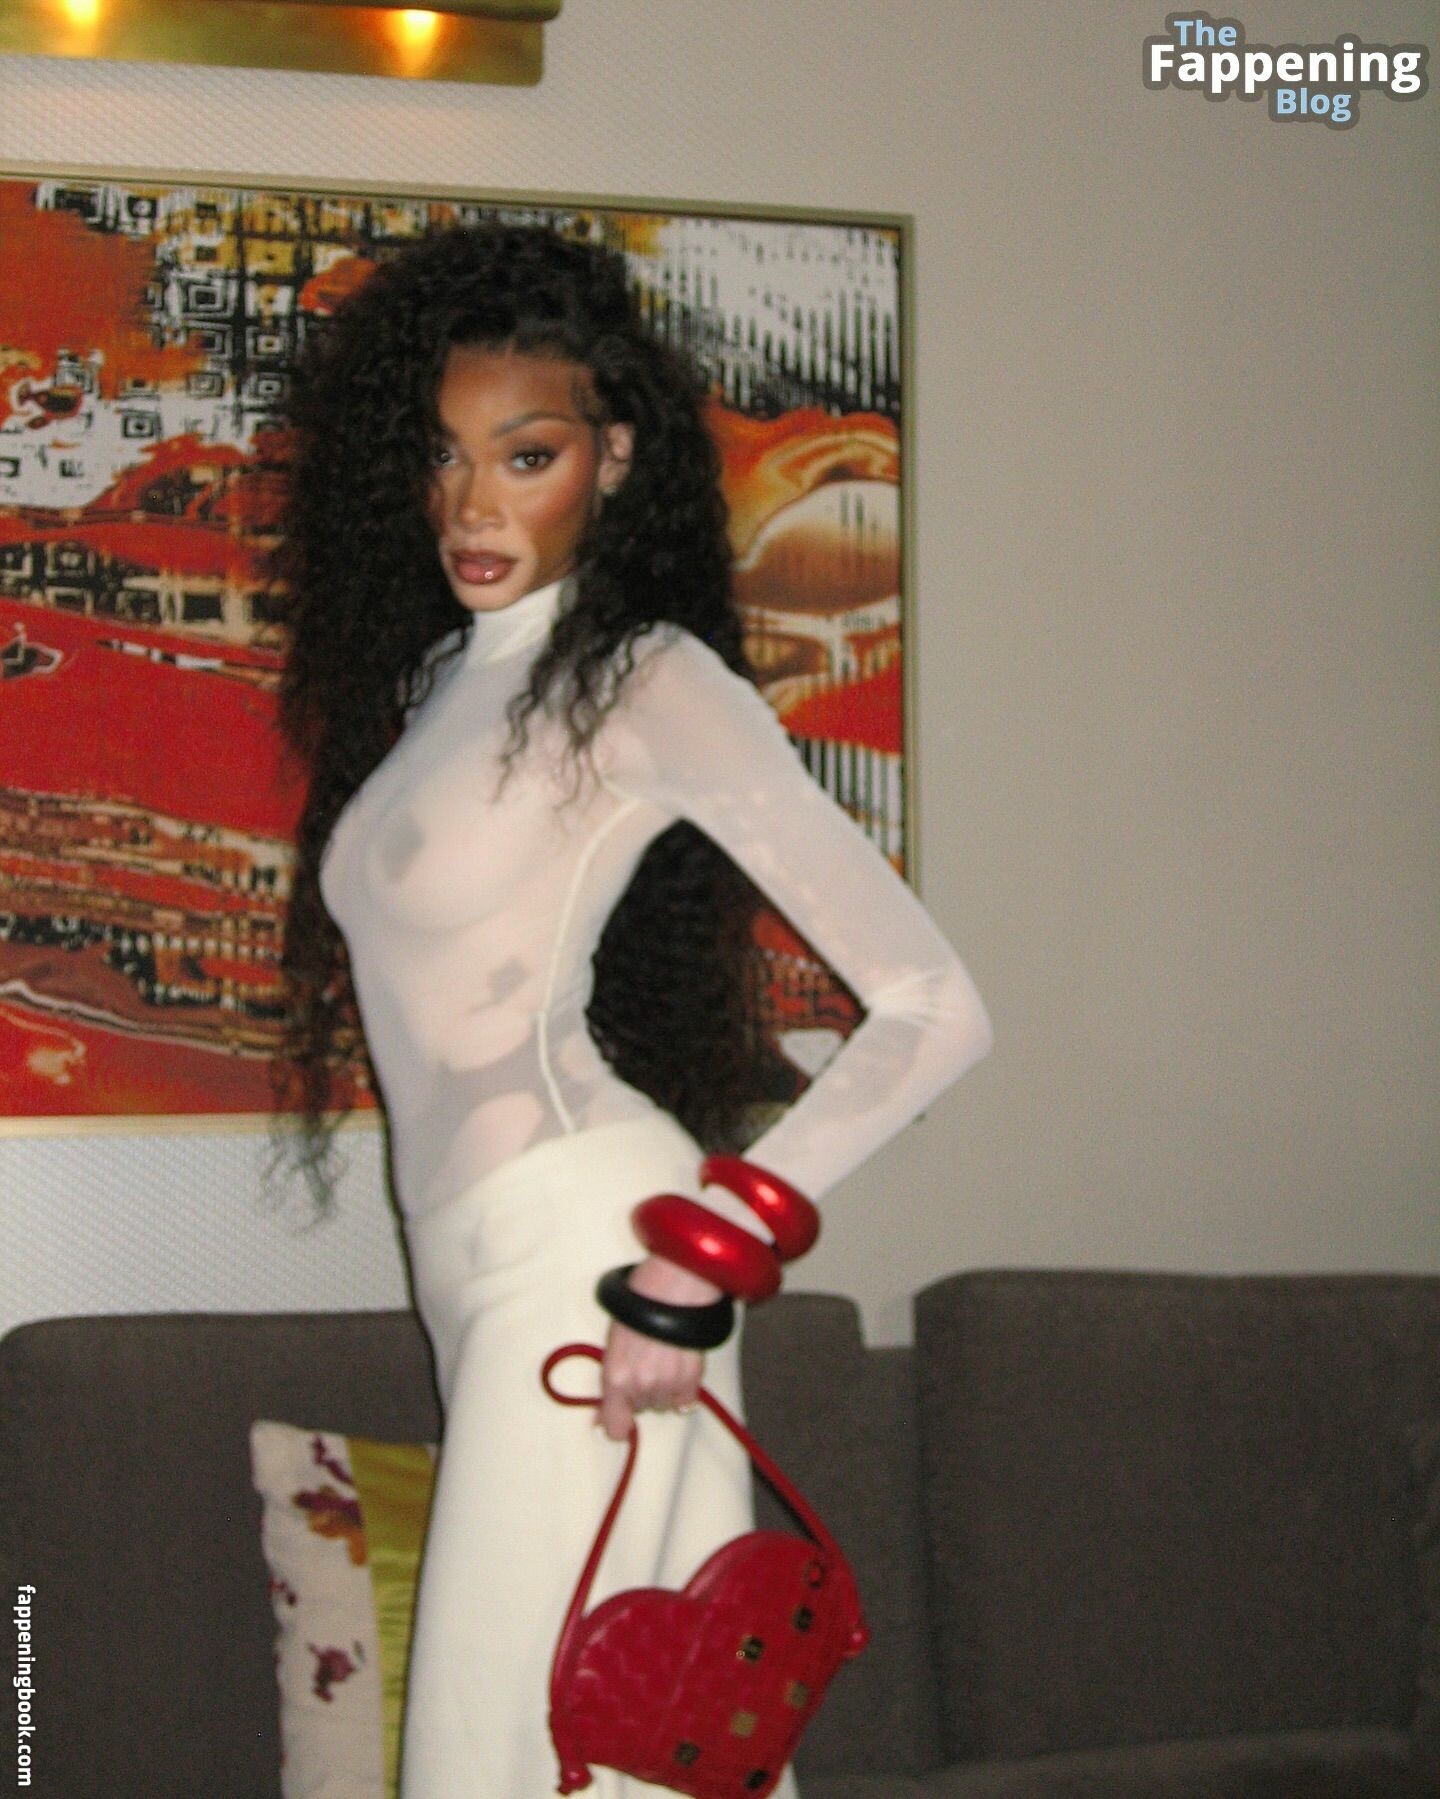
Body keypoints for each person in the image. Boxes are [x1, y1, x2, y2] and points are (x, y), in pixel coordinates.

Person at [273, 222, 993, 1799]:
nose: (475, 505)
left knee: (515, 1747)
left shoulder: (647, 677)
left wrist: (697, 1261)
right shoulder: (435, 685)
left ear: (610, 459)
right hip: (475, 1265)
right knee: (584, 1746)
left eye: (525, 456)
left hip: (591, 1258)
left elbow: (935, 1007)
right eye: (446, 456)